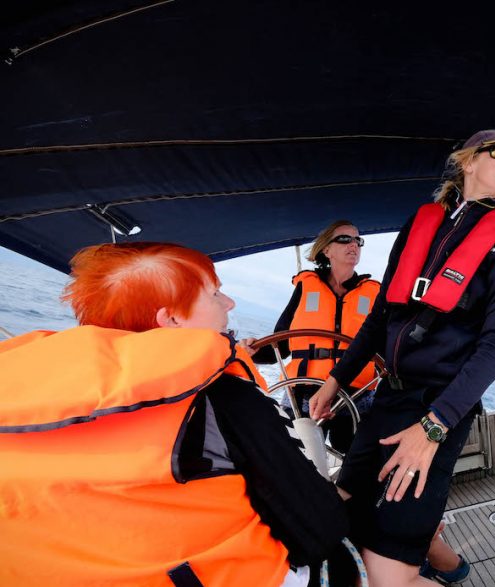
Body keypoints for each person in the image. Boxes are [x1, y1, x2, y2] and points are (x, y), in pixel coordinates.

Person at [0, 242, 347, 587]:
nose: (229, 303)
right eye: (214, 294)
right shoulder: (226, 398)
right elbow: (316, 530)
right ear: (172, 319)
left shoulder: (16, 385)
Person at [309, 128, 495, 586]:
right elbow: (379, 318)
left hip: (438, 410)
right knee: (337, 521)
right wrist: (335, 381)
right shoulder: (421, 225)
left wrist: (434, 427)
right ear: (468, 161)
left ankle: (431, 557)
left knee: (387, 577)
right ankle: (437, 550)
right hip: (385, 403)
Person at [250, 220, 380, 452]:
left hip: (355, 394)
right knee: (293, 459)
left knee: (355, 465)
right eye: (344, 239)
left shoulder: (374, 294)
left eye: (358, 240)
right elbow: (280, 346)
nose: (354, 245)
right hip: (303, 392)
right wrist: (251, 349)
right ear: (326, 249)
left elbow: (384, 347)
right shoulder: (305, 287)